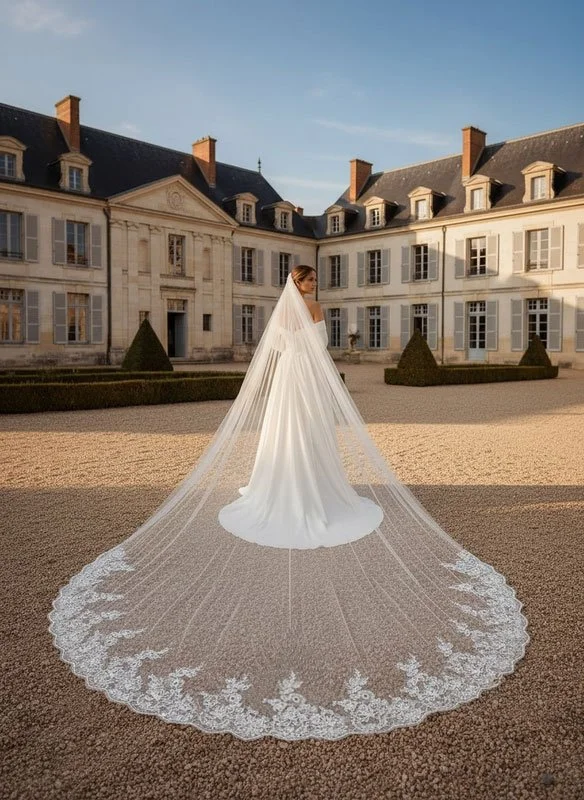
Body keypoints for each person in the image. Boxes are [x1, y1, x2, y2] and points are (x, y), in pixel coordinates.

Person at [49, 264, 529, 741]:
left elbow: (274, 353)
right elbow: (320, 350)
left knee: (291, 440)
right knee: (307, 440)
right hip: (307, 385)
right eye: (308, 281)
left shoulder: (283, 314)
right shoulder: (315, 311)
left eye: (314, 281)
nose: (313, 286)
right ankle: (308, 489)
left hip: (288, 386)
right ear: (298, 286)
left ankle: (293, 486)